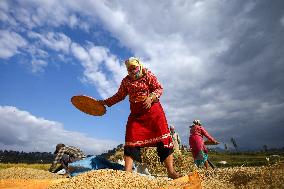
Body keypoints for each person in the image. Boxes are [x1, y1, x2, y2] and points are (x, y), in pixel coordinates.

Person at [99, 57, 181, 179]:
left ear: (139, 66)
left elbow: (159, 88)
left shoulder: (148, 75)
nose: (132, 71)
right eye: (129, 69)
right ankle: (127, 173)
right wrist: (105, 102)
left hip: (154, 113)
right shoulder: (126, 81)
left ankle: (171, 171)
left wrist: (151, 98)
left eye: (134, 68)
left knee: (163, 140)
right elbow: (119, 95)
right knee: (131, 138)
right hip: (136, 115)